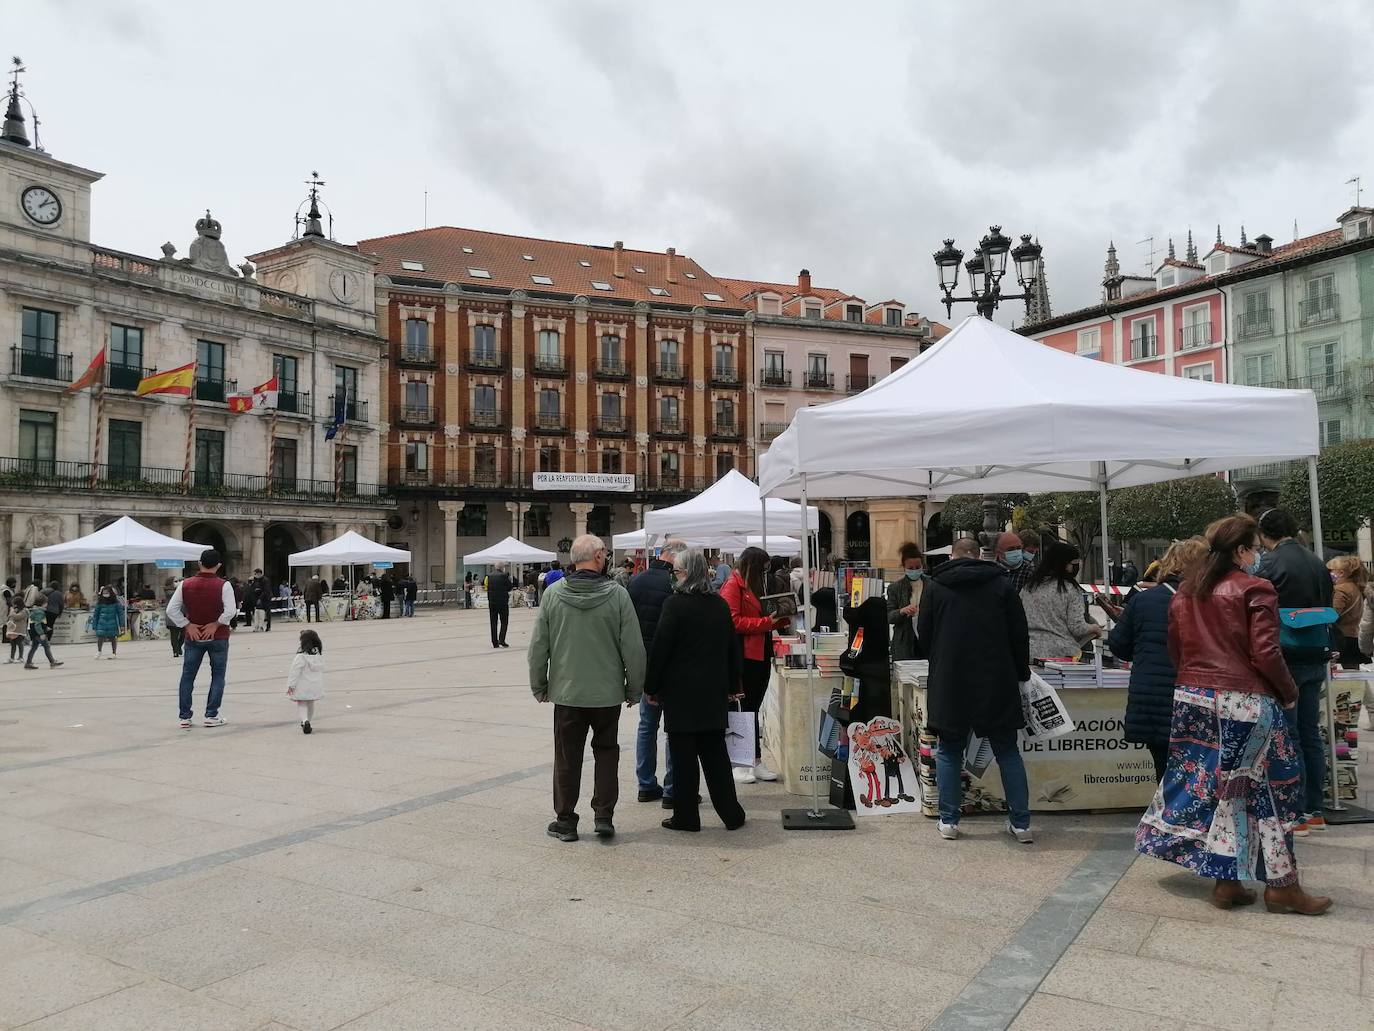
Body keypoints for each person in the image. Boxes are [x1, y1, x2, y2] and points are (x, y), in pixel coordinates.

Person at [1137, 514, 1331, 915]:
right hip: (1242, 699)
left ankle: (1228, 881)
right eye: (1255, 548)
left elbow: (1177, 648)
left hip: (1192, 696)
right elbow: (1265, 652)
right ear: (1242, 550)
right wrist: (1288, 693)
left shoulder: (1188, 589)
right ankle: (1283, 885)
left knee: (1222, 789)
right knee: (1273, 790)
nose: (1258, 555)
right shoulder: (1255, 588)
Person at [529, 534, 646, 842]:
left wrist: (539, 683)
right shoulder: (618, 595)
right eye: (605, 554)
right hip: (607, 694)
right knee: (607, 752)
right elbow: (633, 647)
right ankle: (603, 816)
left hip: (567, 693)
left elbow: (539, 645)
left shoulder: (553, 594)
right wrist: (634, 689)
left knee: (567, 755)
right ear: (596, 557)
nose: (606, 558)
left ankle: (566, 821)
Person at [917, 535, 1033, 843]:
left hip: (950, 678)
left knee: (949, 749)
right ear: (979, 556)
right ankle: (1021, 824)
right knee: (1007, 750)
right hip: (996, 678)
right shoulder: (1002, 585)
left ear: (953, 556)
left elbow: (923, 636)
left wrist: (939, 659)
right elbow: (1019, 635)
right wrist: (1021, 673)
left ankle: (949, 820)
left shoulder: (935, 587)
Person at [647, 548, 747, 833]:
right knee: (716, 757)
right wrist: (732, 685)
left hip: (681, 695)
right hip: (712, 693)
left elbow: (660, 650)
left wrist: (651, 687)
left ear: (687, 573)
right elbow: (732, 649)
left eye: (677, 572)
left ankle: (686, 816)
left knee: (684, 760)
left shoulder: (675, 605)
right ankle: (731, 813)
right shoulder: (718, 605)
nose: (674, 576)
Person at [1255, 507, 1334, 834]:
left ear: (1263, 535)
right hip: (1316, 651)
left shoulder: (1268, 563)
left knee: (1287, 735)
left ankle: (1293, 810)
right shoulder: (1316, 561)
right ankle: (1315, 809)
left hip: (1283, 656)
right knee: (1310, 732)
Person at [1107, 537, 1208, 782]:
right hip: (1193, 695)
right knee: (1195, 770)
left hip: (1150, 697)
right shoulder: (1206, 602)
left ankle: (1166, 815)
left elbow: (1118, 644)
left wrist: (1144, 652)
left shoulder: (1143, 600)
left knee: (1163, 769)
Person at [719, 546, 788, 784]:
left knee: (752, 708)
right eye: (763, 568)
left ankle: (754, 760)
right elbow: (733, 621)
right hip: (744, 655)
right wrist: (765, 623)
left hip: (759, 652)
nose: (765, 573)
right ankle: (740, 762)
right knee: (743, 708)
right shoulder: (733, 585)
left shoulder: (752, 586)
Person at [628, 540, 689, 806]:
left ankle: (645, 784)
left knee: (647, 725)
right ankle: (672, 788)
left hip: (644, 663)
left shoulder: (637, 581)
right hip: (672, 665)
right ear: (676, 558)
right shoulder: (675, 584)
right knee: (673, 728)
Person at [166, 548, 236, 729]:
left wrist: (187, 624)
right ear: (219, 565)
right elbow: (230, 611)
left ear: (199, 563)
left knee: (188, 676)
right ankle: (211, 715)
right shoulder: (224, 585)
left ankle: (184, 717)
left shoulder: (185, 584)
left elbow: (171, 610)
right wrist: (216, 623)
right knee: (218, 675)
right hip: (218, 636)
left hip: (193, 635)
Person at [1020, 542, 1103, 661]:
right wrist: (1094, 628)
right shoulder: (1069, 589)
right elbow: (1077, 627)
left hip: (1029, 652)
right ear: (1066, 565)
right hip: (1061, 655)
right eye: (1074, 563)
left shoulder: (1028, 587)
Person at [885, 541, 926, 661]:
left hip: (927, 641)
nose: (914, 570)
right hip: (904, 643)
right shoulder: (895, 588)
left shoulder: (932, 584)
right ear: (904, 567)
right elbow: (889, 617)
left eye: (918, 567)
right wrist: (902, 611)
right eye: (911, 568)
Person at [1327, 554, 1369, 669]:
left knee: (1339, 678)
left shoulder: (1340, 589)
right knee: (1352, 674)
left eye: (1331, 570)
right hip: (1353, 635)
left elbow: (1333, 614)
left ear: (1341, 573)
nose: (1328, 573)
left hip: (1340, 637)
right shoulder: (1356, 588)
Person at [287, 628, 325, 735]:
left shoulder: (300, 656)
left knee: (302, 702)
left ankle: (305, 721)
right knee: (311, 703)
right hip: (315, 685)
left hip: (302, 685)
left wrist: (291, 685)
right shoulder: (318, 656)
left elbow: (295, 672)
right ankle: (309, 721)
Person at [23, 589, 63, 670]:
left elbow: (37, 623)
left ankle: (28, 662)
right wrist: (42, 633)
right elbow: (37, 624)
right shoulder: (40, 612)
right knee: (46, 645)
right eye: (46, 603)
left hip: (33, 632)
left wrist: (45, 627)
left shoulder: (35, 611)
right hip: (38, 633)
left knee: (34, 647)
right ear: (43, 604)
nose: (47, 605)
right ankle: (52, 662)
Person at [87, 586, 126, 660]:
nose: (105, 594)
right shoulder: (100, 602)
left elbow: (120, 614)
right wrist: (94, 625)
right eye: (104, 593)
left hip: (112, 622)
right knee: (100, 637)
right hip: (102, 622)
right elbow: (96, 614)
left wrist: (122, 625)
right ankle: (99, 651)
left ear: (110, 593)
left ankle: (114, 653)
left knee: (113, 638)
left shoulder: (116, 602)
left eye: (107, 593)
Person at [486, 563, 513, 648]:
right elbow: (509, 587)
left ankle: (494, 642)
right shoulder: (504, 575)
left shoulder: (489, 576)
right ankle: (502, 639)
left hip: (492, 602)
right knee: (504, 621)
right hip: (502, 602)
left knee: (493, 622)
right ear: (502, 568)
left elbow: (487, 587)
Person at [6, 597, 27, 663]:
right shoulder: (15, 610)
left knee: (19, 643)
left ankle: (20, 657)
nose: (13, 606)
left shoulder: (24, 611)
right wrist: (12, 612)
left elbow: (17, 617)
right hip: (13, 630)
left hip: (20, 631)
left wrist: (12, 612)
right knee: (13, 644)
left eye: (14, 604)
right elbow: (9, 616)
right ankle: (12, 657)